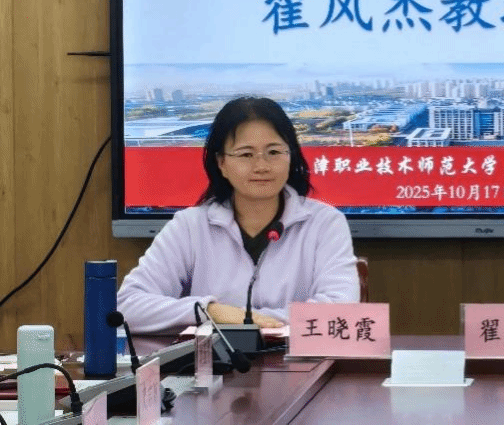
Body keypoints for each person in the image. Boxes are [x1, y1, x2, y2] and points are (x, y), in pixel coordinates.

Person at [118, 96, 360, 333]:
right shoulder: (190, 226)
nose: (261, 166)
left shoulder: (325, 223)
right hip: (212, 358)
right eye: (246, 154)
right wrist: (210, 311)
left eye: (274, 152)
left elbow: (341, 310)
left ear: (291, 156)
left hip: (297, 357)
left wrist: (247, 321)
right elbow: (127, 305)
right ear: (221, 163)